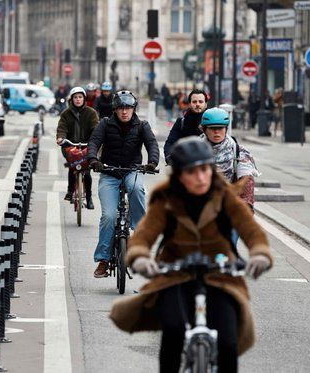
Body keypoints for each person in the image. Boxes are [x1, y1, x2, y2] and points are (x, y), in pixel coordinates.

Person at [110, 137, 272, 373]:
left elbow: (250, 230)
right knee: (173, 331)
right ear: (178, 175)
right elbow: (145, 233)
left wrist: (260, 253)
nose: (201, 177)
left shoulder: (225, 195)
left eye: (205, 169)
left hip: (221, 274)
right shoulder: (165, 198)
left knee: (228, 341)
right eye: (192, 172)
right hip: (175, 273)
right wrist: (140, 256)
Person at [87, 90, 160, 278]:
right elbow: (94, 142)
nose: (124, 112)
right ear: (115, 110)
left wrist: (152, 162)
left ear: (134, 109)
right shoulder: (105, 124)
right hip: (109, 172)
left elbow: (152, 144)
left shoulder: (142, 125)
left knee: (136, 188)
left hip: (132, 170)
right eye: (120, 108)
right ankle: (103, 260)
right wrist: (94, 159)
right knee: (108, 217)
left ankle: (139, 233)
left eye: (128, 108)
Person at [200, 107, 260, 210]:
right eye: (212, 128)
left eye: (220, 128)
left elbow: (246, 183)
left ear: (226, 129)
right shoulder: (193, 151)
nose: (216, 132)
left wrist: (246, 209)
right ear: (204, 129)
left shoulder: (239, 152)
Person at [56, 86, 99, 209]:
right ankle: (70, 191)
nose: (78, 99)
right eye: (75, 97)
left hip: (87, 146)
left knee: (87, 171)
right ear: (71, 99)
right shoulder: (66, 113)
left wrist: (96, 141)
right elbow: (62, 128)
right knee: (73, 166)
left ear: (84, 99)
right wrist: (60, 138)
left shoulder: (91, 113)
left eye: (80, 97)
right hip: (70, 145)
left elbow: (95, 129)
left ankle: (89, 198)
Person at [163, 88, 208, 164]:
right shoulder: (181, 122)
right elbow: (170, 143)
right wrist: (169, 158)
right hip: (186, 165)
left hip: (207, 164)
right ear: (189, 104)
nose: (197, 104)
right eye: (194, 102)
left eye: (200, 102)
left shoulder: (211, 122)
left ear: (205, 104)